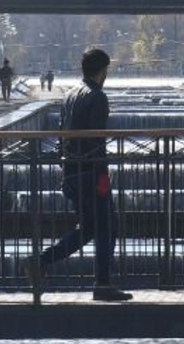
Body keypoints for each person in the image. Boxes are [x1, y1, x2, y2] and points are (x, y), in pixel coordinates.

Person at [23, 48, 130, 302]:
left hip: (71, 172)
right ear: (103, 70)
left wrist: (66, 169)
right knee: (107, 227)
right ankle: (103, 285)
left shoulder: (70, 95)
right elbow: (96, 140)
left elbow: (63, 135)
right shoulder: (97, 97)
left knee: (90, 228)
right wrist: (102, 175)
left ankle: (40, 261)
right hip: (91, 172)